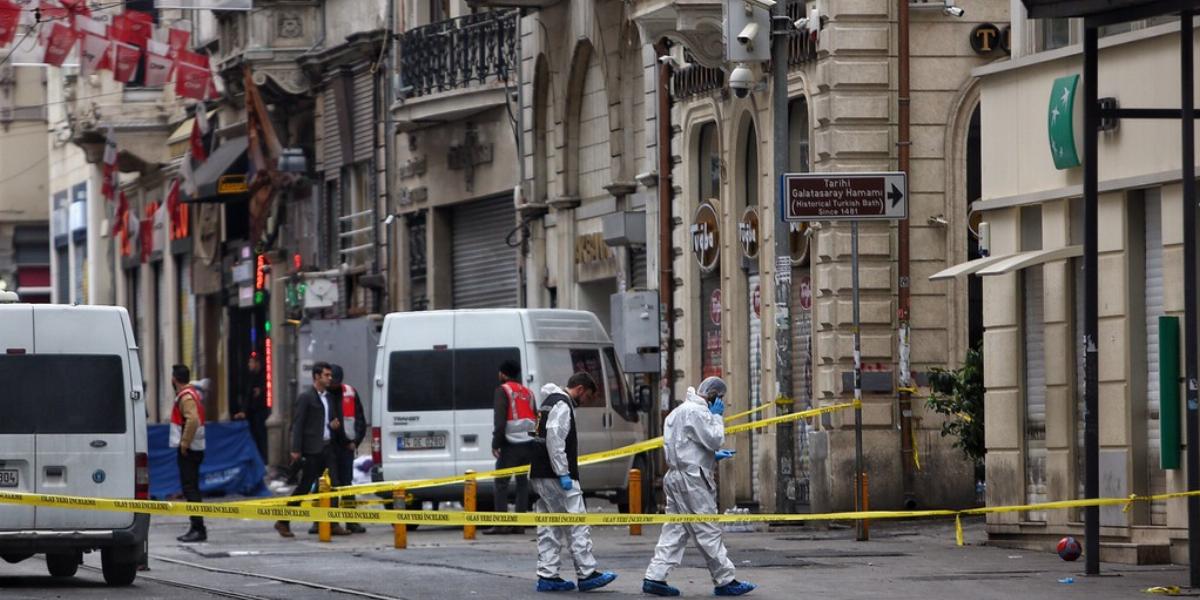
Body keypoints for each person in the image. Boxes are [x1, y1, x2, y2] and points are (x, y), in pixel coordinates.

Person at [642, 377, 756, 597]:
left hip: (675, 475)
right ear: (714, 396)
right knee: (707, 528)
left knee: (675, 530)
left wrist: (711, 458)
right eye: (720, 399)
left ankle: (654, 577)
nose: (720, 403)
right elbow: (714, 438)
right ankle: (725, 580)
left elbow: (685, 445)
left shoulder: (677, 412)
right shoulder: (699, 412)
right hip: (693, 479)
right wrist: (716, 417)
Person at [529, 371, 617, 593]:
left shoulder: (548, 402)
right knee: (577, 523)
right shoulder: (562, 405)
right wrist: (563, 473)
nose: (585, 401)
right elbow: (555, 440)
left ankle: (548, 575)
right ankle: (587, 573)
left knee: (550, 525)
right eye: (587, 396)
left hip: (540, 473)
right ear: (580, 389)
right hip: (556, 476)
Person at [274, 361, 349, 538]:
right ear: (317, 377)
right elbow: (298, 424)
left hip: (327, 446)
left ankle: (332, 522)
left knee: (334, 485)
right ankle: (283, 521)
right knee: (305, 486)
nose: (330, 378)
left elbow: (326, 420)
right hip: (312, 450)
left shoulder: (329, 397)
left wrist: (333, 425)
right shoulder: (306, 397)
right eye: (326, 375)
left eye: (330, 375)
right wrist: (295, 449)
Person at [484, 359, 537, 535]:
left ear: (503, 374)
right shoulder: (528, 392)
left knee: (501, 483)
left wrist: (495, 443)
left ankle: (501, 524)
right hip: (528, 444)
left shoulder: (502, 391)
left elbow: (500, 421)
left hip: (509, 444)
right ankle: (519, 524)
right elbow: (536, 416)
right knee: (522, 483)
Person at [317, 364, 367, 535]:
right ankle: (325, 522)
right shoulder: (323, 395)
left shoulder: (350, 393)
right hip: (328, 446)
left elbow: (360, 419)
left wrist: (356, 441)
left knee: (346, 485)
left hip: (346, 447)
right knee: (328, 484)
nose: (333, 384)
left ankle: (351, 521)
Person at [170, 364, 207, 543]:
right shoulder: (191, 394)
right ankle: (196, 526)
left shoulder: (186, 396)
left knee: (190, 488)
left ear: (174, 379)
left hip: (190, 450)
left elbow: (192, 420)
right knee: (192, 487)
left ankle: (198, 528)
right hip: (195, 448)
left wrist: (184, 443)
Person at [231, 355, 269, 465]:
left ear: (257, 363)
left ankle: (264, 459)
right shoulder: (250, 377)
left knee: (262, 436)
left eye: (251, 362)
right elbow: (248, 395)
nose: (249, 365)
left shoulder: (263, 377)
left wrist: (261, 391)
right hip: (253, 412)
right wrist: (243, 411)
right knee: (255, 436)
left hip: (262, 411)